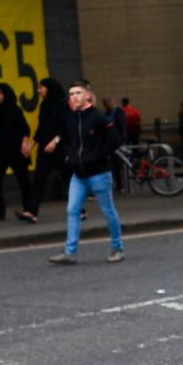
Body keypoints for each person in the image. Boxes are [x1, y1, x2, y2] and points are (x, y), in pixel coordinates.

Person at [47, 81, 124, 266]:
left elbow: (115, 140)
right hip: (78, 175)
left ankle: (117, 248)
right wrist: (60, 146)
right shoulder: (71, 118)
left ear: (88, 95)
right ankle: (70, 253)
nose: (74, 96)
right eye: (71, 94)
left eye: (78, 93)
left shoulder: (98, 117)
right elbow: (67, 137)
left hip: (99, 174)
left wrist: (97, 156)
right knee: (72, 210)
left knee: (107, 210)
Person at [0, 81, 38, 223]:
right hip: (1, 151)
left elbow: (25, 128)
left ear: (6, 94)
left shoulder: (15, 110)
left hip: (15, 150)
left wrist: (25, 144)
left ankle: (29, 209)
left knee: (23, 181)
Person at [33, 77, 70, 202]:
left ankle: (80, 210)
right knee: (39, 178)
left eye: (41, 87)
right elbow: (41, 127)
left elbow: (65, 127)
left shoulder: (63, 105)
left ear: (50, 89)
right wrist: (31, 144)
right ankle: (31, 211)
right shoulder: (44, 106)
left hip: (60, 148)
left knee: (68, 178)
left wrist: (55, 141)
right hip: (45, 147)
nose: (38, 91)